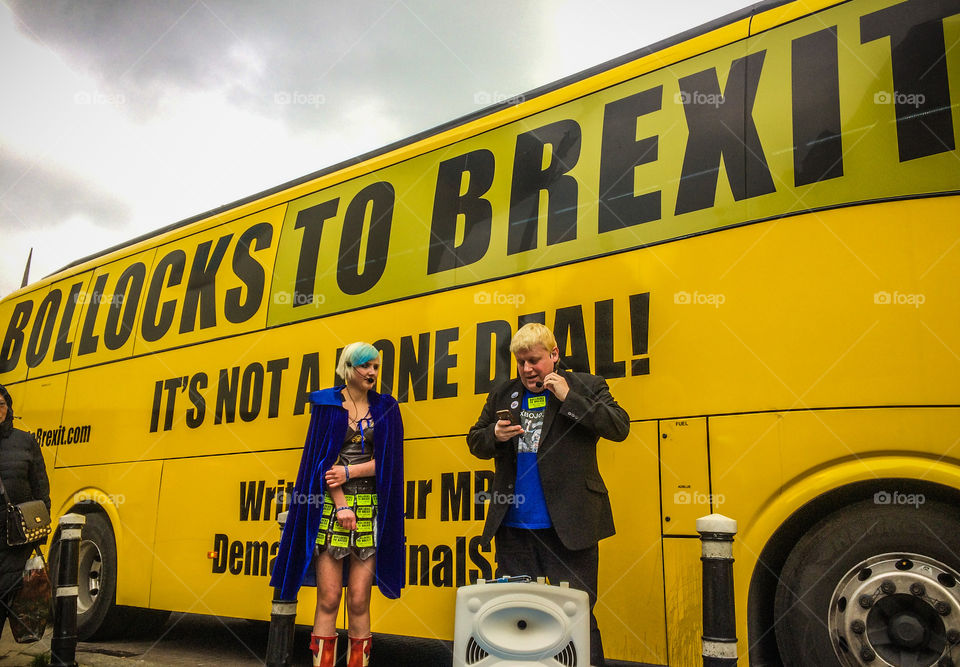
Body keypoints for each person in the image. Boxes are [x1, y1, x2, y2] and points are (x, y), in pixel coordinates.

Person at [467, 323, 630, 667]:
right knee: (517, 618)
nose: (527, 369)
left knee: (576, 616)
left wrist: (569, 397)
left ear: (554, 356)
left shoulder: (586, 385)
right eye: (521, 361)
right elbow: (475, 441)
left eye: (535, 360)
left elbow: (619, 426)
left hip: (570, 527)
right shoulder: (503, 393)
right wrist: (494, 434)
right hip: (514, 529)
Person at [270, 343, 404, 667]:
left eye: (375, 366)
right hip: (331, 508)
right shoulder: (327, 405)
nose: (372, 372)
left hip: (370, 508)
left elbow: (390, 462)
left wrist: (351, 470)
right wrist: (342, 505)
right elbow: (320, 465)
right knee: (329, 598)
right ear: (348, 368)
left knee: (359, 599)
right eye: (365, 366)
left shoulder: (387, 407)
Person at [0, 384, 51, 639]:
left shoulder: (26, 442)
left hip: (16, 540)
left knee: (11, 597)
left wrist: (40, 530)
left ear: (8, 408)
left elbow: (41, 488)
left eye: (1, 404)